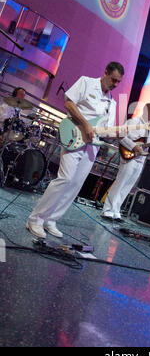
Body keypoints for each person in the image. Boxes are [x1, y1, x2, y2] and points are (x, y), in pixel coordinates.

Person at [26, 62, 124, 238]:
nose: (115, 84)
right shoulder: (86, 82)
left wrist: (118, 133)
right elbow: (69, 103)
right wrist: (86, 125)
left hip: (93, 144)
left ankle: (51, 220)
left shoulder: (113, 102)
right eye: (113, 80)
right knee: (65, 179)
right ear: (105, 72)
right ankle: (35, 218)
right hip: (75, 135)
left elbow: (107, 130)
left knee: (76, 184)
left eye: (118, 82)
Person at [101, 103, 150, 221]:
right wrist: (133, 146)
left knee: (128, 186)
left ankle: (116, 209)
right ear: (146, 112)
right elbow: (121, 136)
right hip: (129, 157)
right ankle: (107, 209)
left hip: (140, 160)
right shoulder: (132, 122)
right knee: (120, 183)